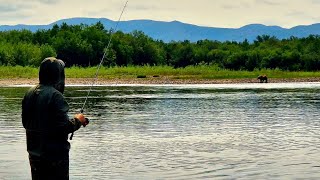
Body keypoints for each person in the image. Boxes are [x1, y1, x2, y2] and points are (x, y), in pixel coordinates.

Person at [22, 57, 89, 180]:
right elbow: (64, 127)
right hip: (54, 158)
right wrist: (78, 119)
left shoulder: (29, 93)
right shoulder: (56, 96)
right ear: (58, 75)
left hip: (34, 156)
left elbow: (26, 123)